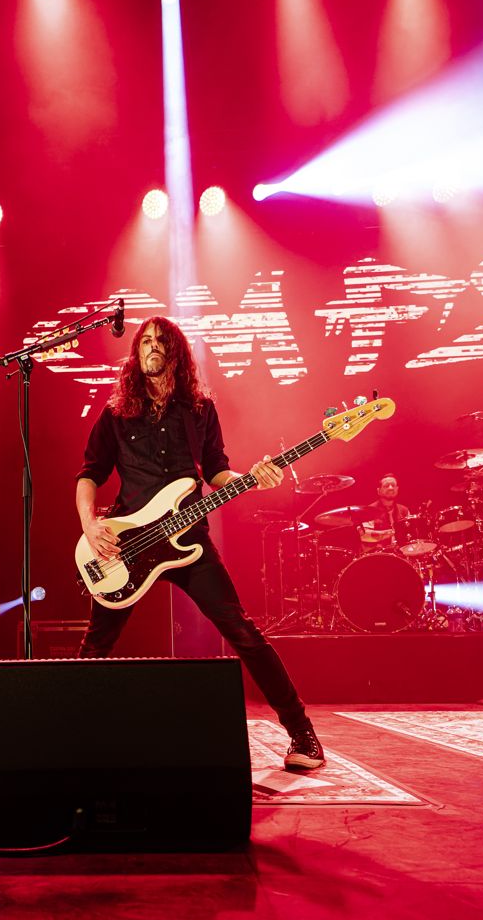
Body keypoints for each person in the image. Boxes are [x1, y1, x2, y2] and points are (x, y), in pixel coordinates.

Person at [76, 316, 324, 770]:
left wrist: (254, 478)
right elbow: (89, 474)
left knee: (244, 633)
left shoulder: (200, 409)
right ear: (136, 354)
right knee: (96, 645)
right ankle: (62, 732)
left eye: (160, 341)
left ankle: (302, 733)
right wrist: (91, 526)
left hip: (189, 542)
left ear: (176, 352)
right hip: (128, 547)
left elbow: (215, 471)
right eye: (145, 341)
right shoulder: (116, 413)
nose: (151, 346)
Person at [358, 473, 412, 549]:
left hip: (402, 553)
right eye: (386, 486)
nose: (390, 488)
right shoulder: (370, 510)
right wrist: (389, 533)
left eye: (393, 485)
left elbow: (410, 534)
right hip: (379, 556)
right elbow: (365, 536)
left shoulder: (404, 510)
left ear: (397, 489)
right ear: (378, 491)